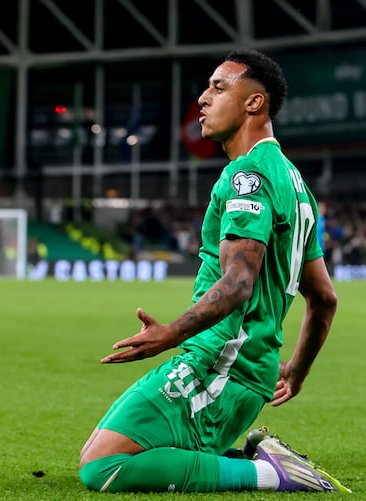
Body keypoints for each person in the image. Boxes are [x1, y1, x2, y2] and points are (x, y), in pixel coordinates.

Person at [77, 50, 351, 493]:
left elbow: (240, 281)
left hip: (220, 363)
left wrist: (171, 333)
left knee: (103, 467)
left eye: (218, 87)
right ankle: (254, 456)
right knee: (101, 449)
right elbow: (324, 298)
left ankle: (268, 474)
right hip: (242, 368)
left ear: (254, 103)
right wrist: (295, 371)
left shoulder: (248, 176)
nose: (203, 99)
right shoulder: (294, 183)